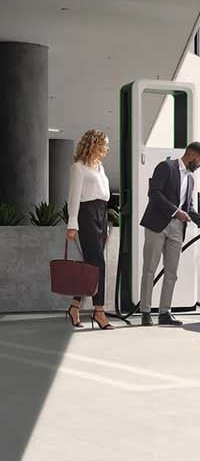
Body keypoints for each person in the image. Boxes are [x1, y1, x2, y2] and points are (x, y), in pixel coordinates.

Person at [139, 142, 200, 326]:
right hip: (157, 225)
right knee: (149, 270)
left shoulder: (191, 179)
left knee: (171, 272)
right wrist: (175, 211)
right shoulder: (166, 167)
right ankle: (145, 311)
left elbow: (190, 208)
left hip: (178, 228)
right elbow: (154, 194)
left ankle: (164, 313)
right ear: (192, 155)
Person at [65, 129, 113, 330]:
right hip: (86, 215)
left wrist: (106, 223)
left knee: (90, 265)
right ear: (94, 144)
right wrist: (72, 224)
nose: (106, 148)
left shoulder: (99, 167)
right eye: (104, 144)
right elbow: (74, 196)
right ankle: (99, 311)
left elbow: (104, 194)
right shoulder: (78, 168)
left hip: (102, 215)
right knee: (98, 264)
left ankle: (75, 306)